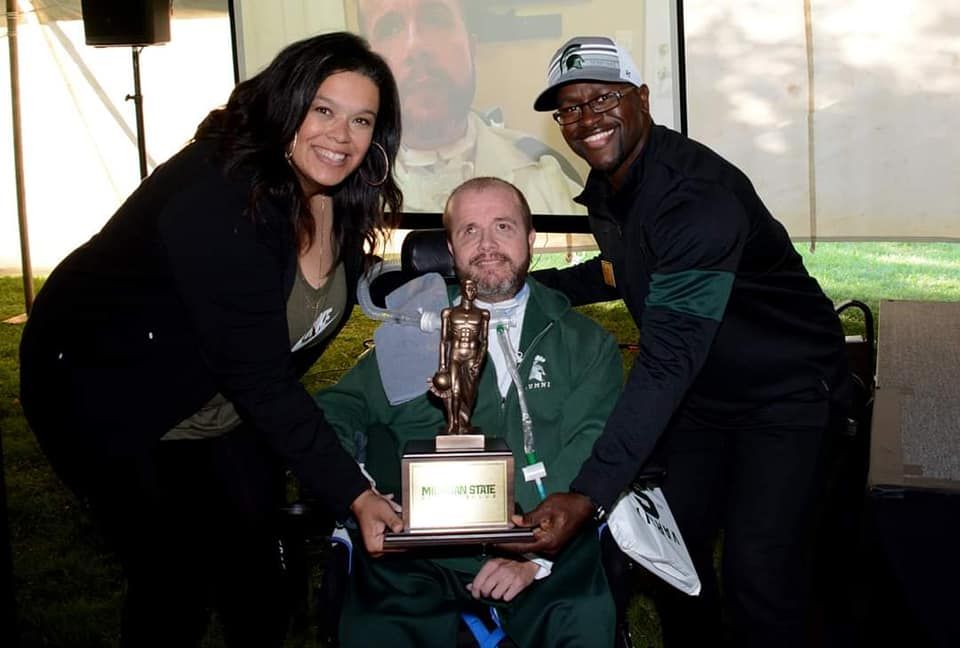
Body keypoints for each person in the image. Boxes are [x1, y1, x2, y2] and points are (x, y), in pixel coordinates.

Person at [18, 32, 405, 648]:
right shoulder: (223, 193)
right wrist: (356, 495)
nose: (341, 134)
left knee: (261, 574)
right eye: (322, 109)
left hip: (219, 398)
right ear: (287, 103)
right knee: (172, 577)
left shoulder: (339, 199)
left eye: (361, 119)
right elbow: (262, 378)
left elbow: (281, 334)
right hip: (104, 390)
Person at [513, 36, 852, 648]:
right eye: (569, 108)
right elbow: (619, 270)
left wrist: (588, 494)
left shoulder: (696, 198)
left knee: (760, 575)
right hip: (705, 396)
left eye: (603, 98)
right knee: (675, 555)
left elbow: (666, 361)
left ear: (641, 98)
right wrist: (525, 289)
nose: (586, 118)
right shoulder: (616, 185)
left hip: (786, 397)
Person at [316, 177, 621, 647]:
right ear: (451, 248)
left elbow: (592, 444)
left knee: (578, 623)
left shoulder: (584, 343)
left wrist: (535, 560)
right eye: (470, 232)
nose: (488, 245)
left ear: (530, 238)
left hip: (547, 549)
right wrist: (359, 491)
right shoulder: (410, 338)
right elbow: (331, 413)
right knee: (379, 632)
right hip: (419, 557)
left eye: (503, 226)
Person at [356, 0, 586, 214]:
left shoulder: (547, 178)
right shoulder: (342, 190)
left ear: (471, 46)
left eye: (435, 19)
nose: (415, 47)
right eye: (390, 29)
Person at [431, 278, 488, 434]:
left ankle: (465, 421)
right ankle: (454, 422)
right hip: (455, 355)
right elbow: (444, 341)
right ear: (462, 289)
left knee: (469, 393)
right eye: (468, 288)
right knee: (455, 390)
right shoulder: (449, 313)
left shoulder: (483, 314)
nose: (471, 291)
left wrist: (479, 361)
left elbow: (484, 342)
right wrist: (442, 366)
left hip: (472, 356)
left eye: (474, 288)